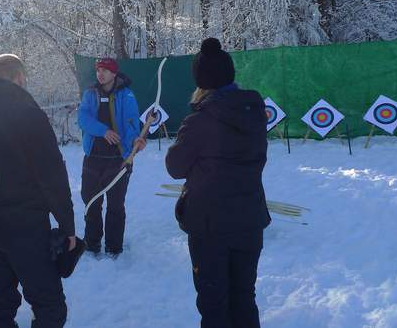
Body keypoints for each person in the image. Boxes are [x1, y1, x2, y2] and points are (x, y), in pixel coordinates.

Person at [165, 38, 270, 328]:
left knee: (214, 304)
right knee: (244, 297)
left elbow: (175, 167)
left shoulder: (199, 121)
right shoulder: (254, 113)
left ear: (201, 80)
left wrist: (185, 136)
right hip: (249, 221)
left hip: (210, 228)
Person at [0, 54, 76, 328]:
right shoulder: (30, 114)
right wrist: (67, 227)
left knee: (0, 300)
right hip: (27, 224)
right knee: (49, 304)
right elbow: (52, 175)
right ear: (19, 78)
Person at [77, 58, 145, 257]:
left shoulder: (126, 95)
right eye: (99, 70)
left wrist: (135, 142)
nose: (101, 74)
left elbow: (131, 122)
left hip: (117, 160)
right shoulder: (90, 93)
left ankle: (114, 248)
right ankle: (92, 245)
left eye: (105, 70)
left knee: (115, 205)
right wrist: (103, 130)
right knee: (91, 202)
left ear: (114, 73)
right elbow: (83, 118)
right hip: (93, 158)